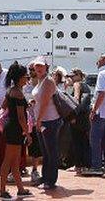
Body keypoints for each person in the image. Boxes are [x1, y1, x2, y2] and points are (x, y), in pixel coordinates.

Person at [0, 63, 32, 200]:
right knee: (9, 161)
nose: (27, 79)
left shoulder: (11, 91)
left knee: (14, 161)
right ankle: (2, 190)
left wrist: (24, 105)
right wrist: (27, 133)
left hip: (10, 127)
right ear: (19, 78)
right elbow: (21, 117)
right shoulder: (18, 93)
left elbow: (3, 105)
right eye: (25, 76)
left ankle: (20, 189)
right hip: (15, 129)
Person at [30, 59, 60, 190]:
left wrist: (39, 120)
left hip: (49, 121)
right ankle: (46, 177)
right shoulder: (41, 81)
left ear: (46, 67)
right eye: (36, 66)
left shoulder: (48, 81)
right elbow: (40, 99)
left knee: (51, 151)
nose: (38, 68)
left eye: (41, 66)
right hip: (43, 120)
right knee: (46, 152)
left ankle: (51, 180)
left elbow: (45, 103)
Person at [68, 69, 91, 173]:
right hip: (85, 117)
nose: (71, 78)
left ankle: (78, 165)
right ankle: (85, 165)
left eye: (73, 76)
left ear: (79, 76)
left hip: (77, 117)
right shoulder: (87, 86)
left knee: (76, 142)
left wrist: (73, 115)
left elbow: (76, 99)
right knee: (84, 142)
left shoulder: (77, 84)